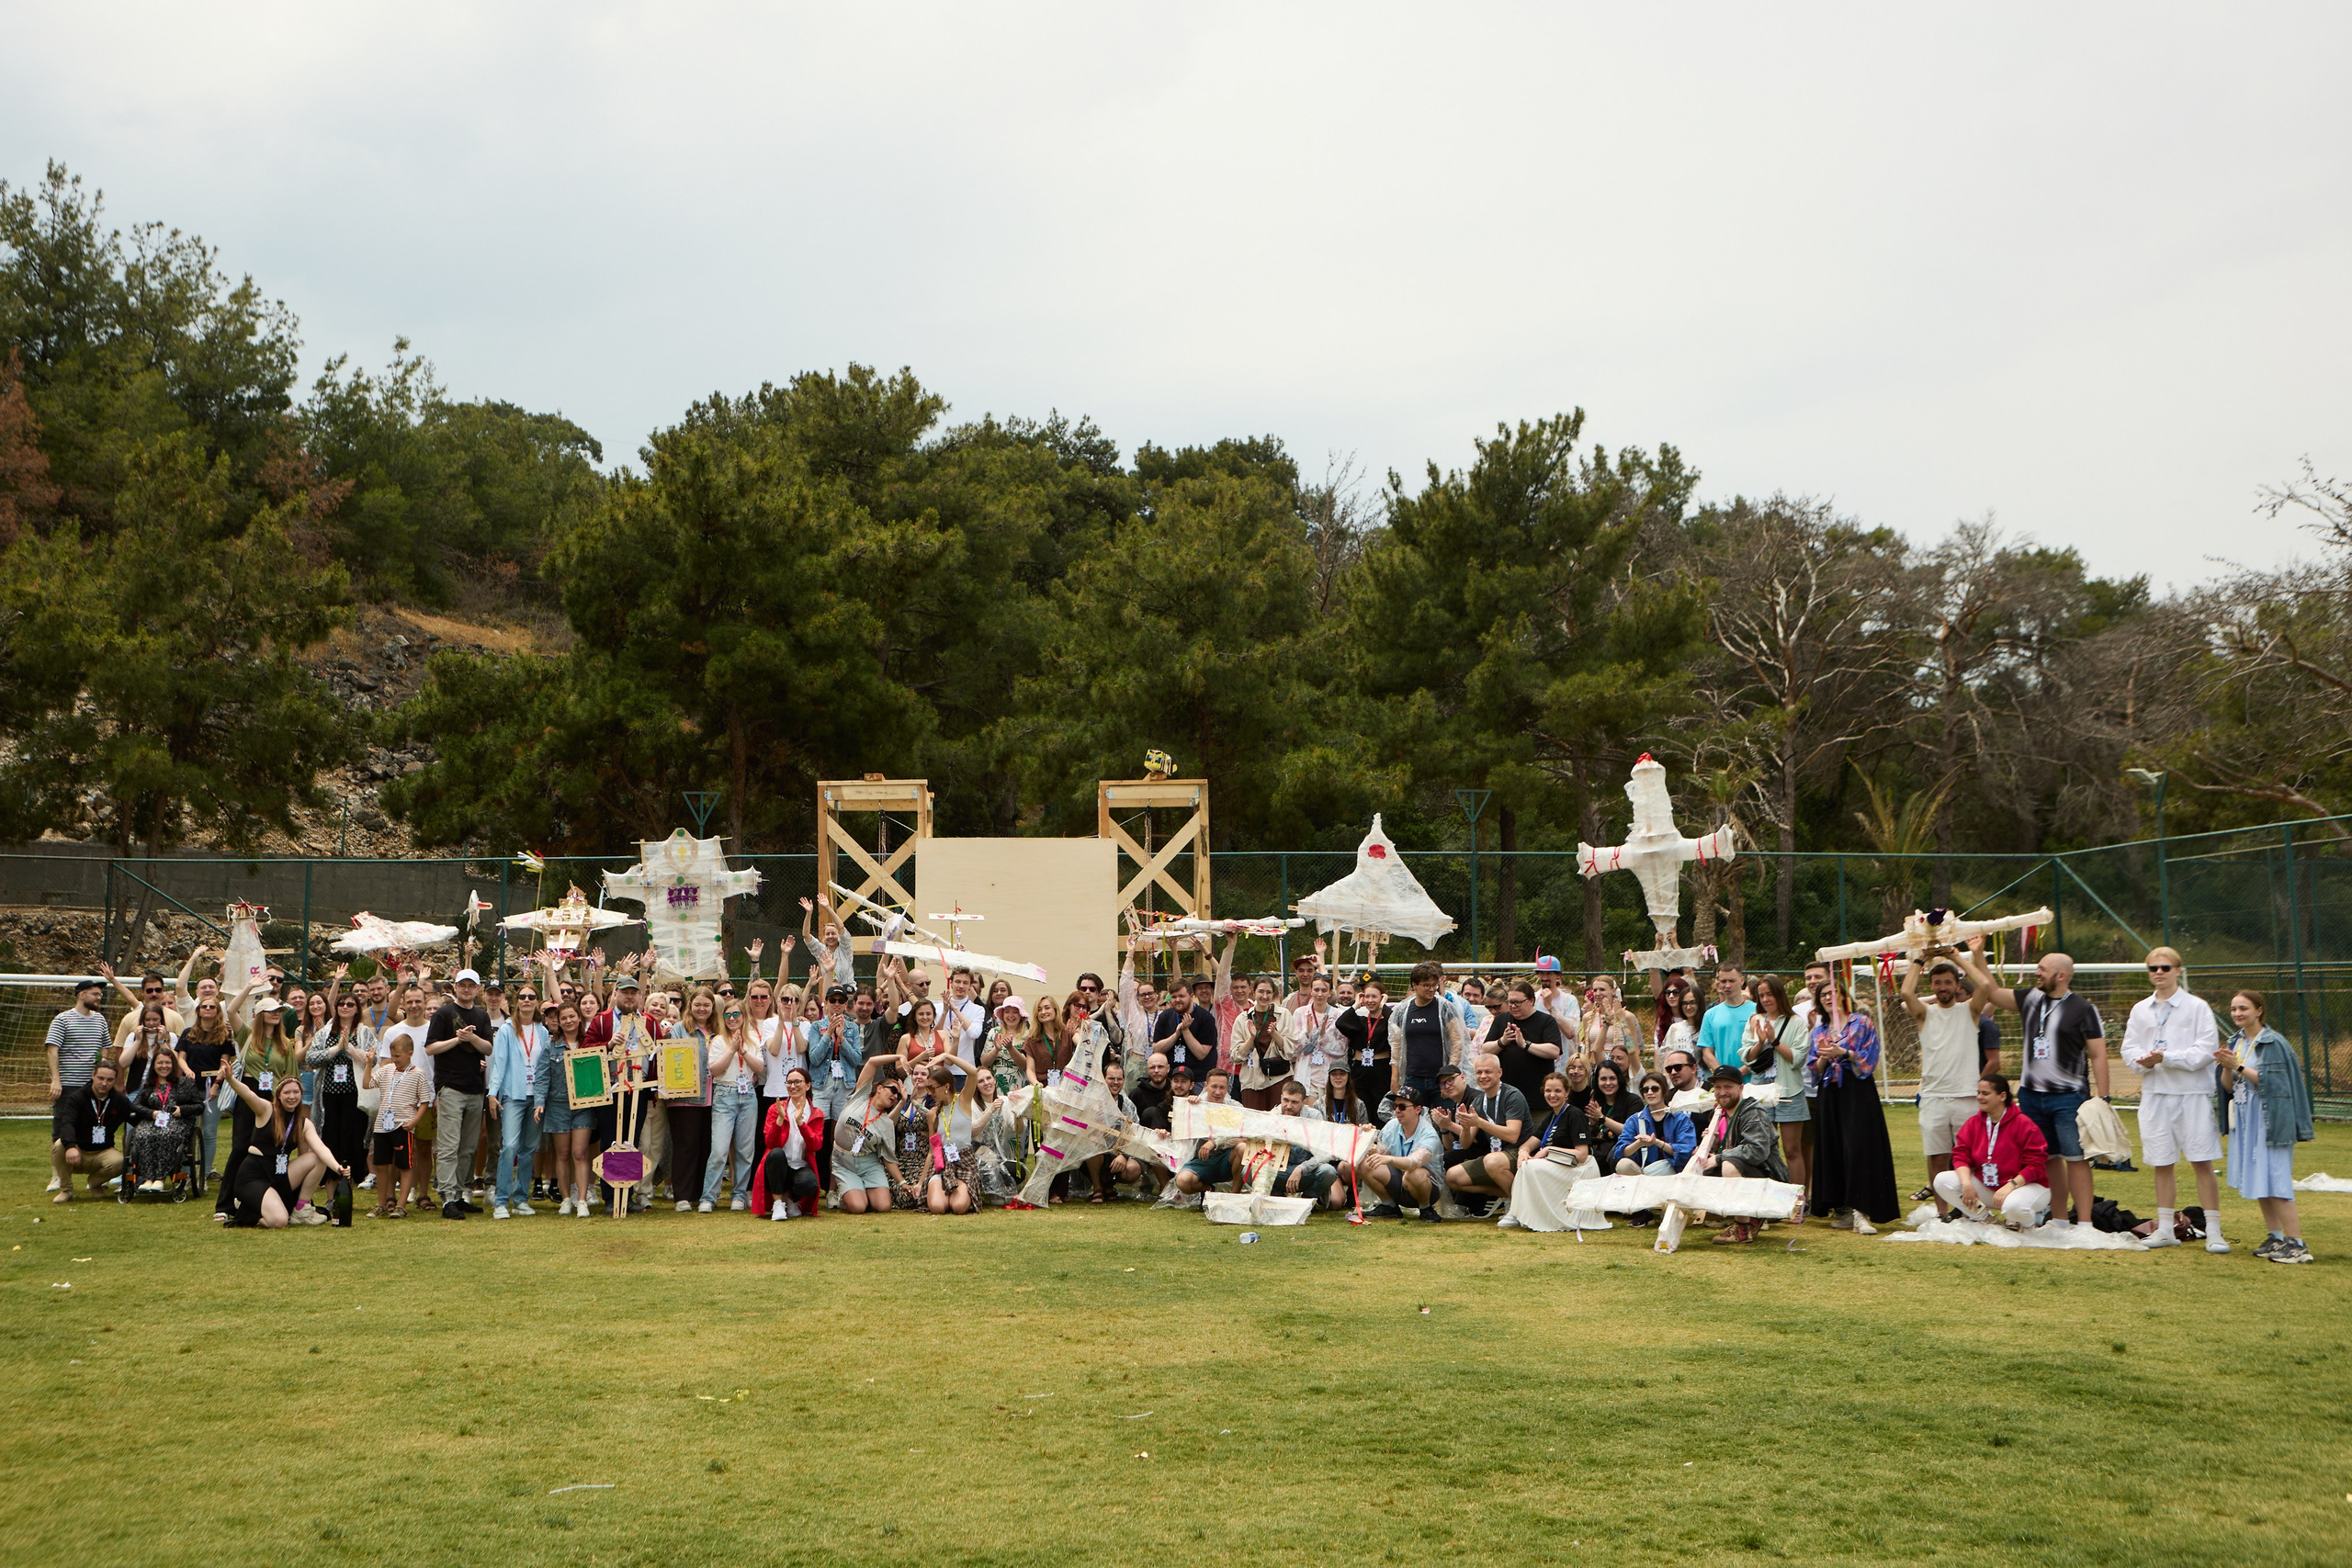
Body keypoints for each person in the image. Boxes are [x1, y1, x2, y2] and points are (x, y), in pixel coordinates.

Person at [1960, 942, 2107, 1233]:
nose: (2037, 973)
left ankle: (2086, 1224)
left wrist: (2103, 1097)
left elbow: (2099, 1054)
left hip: (2068, 1097)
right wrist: (1978, 954)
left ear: (2062, 975)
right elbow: (1991, 991)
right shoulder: (2030, 998)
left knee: (2076, 1160)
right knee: (2048, 1159)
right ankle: (2060, 1220)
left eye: (2043, 969)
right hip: (2031, 1095)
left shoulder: (2083, 1009)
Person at [2123, 947, 2228, 1253]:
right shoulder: (2140, 1009)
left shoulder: (2197, 1007)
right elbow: (2129, 1050)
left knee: (2201, 1160)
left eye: (2165, 967)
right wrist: (2143, 1061)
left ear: (2178, 970)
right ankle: (2166, 1228)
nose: (2159, 972)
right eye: (2153, 968)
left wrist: (2166, 1057)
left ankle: (2214, 1231)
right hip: (2155, 1094)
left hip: (2191, 1094)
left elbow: (2204, 1051)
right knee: (2161, 1161)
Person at [2216, 990, 2316, 1263]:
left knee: (2276, 1179)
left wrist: (2237, 1066)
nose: (2237, 1013)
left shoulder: (2274, 1043)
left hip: (2270, 1118)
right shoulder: (2235, 1041)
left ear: (2259, 1010)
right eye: (2234, 1008)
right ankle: (2276, 1238)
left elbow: (2276, 1085)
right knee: (2260, 1178)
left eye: (2244, 1008)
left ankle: (2296, 1245)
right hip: (2246, 1118)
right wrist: (2227, 1067)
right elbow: (2228, 1087)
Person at [1805, 970, 1899, 1232]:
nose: (1827, 997)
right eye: (1823, 995)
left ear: (1844, 995)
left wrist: (1844, 1052)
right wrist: (1825, 1056)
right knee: (1834, 1149)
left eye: (1832, 992)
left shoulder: (1862, 1023)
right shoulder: (1820, 1030)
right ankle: (1844, 1208)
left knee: (1857, 1147)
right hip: (1830, 1094)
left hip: (1857, 1093)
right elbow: (1815, 1067)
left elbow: (1870, 1058)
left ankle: (1862, 1211)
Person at [1898, 956, 1984, 1217]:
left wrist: (1955, 955)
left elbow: (1984, 985)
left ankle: (1971, 1211)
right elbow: (1905, 991)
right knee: (1937, 1157)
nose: (1943, 987)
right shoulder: (1925, 1013)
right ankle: (1942, 1213)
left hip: (1967, 1095)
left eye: (1948, 982)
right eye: (1937, 983)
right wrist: (1919, 959)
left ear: (1957, 985)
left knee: (1969, 1158)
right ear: (1932, 986)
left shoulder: (1970, 1011)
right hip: (1933, 1096)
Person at [221, 1072, 350, 1227]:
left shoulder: (304, 1123)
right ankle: (249, 1208)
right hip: (254, 1175)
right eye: (287, 1092)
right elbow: (248, 1094)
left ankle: (302, 1210)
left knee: (318, 1158)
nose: (292, 1096)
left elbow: (321, 1148)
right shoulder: (266, 1110)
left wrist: (338, 1168)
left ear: (301, 1095)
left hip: (280, 1173)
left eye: (296, 1092)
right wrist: (230, 1078)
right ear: (279, 1095)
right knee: (279, 1221)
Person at [1935, 1072, 2051, 1231]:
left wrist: (2012, 1185)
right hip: (1990, 1186)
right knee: (1942, 1181)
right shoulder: (1974, 1123)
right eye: (1978, 1093)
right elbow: (1960, 1154)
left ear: (2002, 1096)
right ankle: (1986, 1219)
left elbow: (2036, 1165)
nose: (1979, 1097)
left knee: (2014, 1206)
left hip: (2026, 1187)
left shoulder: (2024, 1124)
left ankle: (2028, 1225)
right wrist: (1966, 1183)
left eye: (1986, 1093)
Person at [1689, 1066, 1791, 1244]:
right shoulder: (1720, 1114)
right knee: (1701, 1170)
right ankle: (1746, 1217)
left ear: (1741, 1088)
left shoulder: (1752, 1113)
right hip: (1749, 1172)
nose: (1722, 1092)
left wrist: (1719, 1158)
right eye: (1718, 1088)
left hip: (1769, 1178)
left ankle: (1743, 1227)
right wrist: (1709, 1148)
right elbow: (1729, 1149)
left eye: (1728, 1087)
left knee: (1728, 1166)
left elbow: (1756, 1151)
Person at [424, 967, 494, 1220]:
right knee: (448, 1145)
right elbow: (431, 1048)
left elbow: (487, 1047)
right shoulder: (443, 1014)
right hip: (450, 1087)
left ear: (477, 989)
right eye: (462, 985)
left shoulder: (481, 1015)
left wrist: (470, 1037)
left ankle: (461, 1193)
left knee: (468, 1147)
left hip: (475, 1088)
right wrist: (457, 1039)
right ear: (455, 987)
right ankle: (447, 1197)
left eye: (471, 985)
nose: (466, 989)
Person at [1495, 1071, 1599, 1232]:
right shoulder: (1551, 1116)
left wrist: (1550, 1149)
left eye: (1557, 1091)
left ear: (1567, 1093)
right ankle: (1518, 1211)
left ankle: (1516, 1211)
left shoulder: (1574, 1115)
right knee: (1526, 1163)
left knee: (1530, 1167)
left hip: (1576, 1168)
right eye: (1548, 1091)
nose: (1552, 1095)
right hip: (1557, 1165)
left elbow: (1582, 1154)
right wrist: (1523, 1151)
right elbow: (1529, 1144)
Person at [1745, 976, 1810, 1213]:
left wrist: (1773, 1040)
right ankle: (1769, 1204)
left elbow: (1797, 1058)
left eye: (1769, 994)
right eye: (1761, 995)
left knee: (1792, 1149)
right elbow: (1747, 1058)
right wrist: (1760, 1042)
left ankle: (1798, 1204)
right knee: (1764, 1148)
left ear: (1779, 994)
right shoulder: (1754, 1020)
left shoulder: (1796, 1022)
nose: (1766, 999)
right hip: (1761, 1092)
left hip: (1789, 1091)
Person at [485, 982, 548, 1218]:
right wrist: (493, 1093)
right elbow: (499, 1063)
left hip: (537, 1096)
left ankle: (521, 1198)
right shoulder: (507, 1029)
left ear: (537, 1001)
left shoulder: (542, 1030)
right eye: (522, 996)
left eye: (531, 996)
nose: (527, 1000)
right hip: (513, 1094)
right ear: (516, 1000)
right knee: (509, 1145)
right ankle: (501, 1201)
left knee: (529, 1149)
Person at [44, 977, 114, 1192]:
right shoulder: (62, 1020)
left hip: (92, 1087)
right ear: (81, 995)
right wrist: (56, 1080)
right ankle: (58, 1176)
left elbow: (105, 1049)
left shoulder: (100, 1019)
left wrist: (102, 1077)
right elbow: (52, 1049)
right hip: (69, 1085)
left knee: (93, 1127)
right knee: (61, 1130)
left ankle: (95, 1172)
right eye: (95, 994)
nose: (98, 997)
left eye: (100, 994)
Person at [530, 997, 595, 1219]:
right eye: (563, 1017)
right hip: (557, 1106)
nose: (568, 1021)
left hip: (584, 1105)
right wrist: (539, 1102)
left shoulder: (590, 1042)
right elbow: (542, 1078)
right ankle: (566, 1199)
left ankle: (582, 1200)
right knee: (564, 1153)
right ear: (557, 1021)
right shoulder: (550, 1046)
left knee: (579, 1152)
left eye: (572, 1016)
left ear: (579, 1018)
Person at [307, 988, 378, 1191]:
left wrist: (349, 1048)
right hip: (329, 1097)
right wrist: (336, 1048)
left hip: (355, 1096)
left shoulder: (364, 1032)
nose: (345, 1008)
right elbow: (311, 1058)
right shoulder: (325, 1032)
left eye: (350, 1004)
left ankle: (348, 1191)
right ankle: (330, 1192)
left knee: (353, 1141)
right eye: (341, 1004)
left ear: (357, 1009)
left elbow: (374, 1059)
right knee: (330, 1141)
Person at [1444, 1052, 1530, 1213]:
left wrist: (1479, 1122)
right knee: (1453, 1177)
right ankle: (1508, 1195)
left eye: (1488, 1072)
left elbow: (1513, 1135)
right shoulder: (1479, 1101)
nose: (1483, 1076)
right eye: (1479, 1072)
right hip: (1495, 1155)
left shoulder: (1512, 1095)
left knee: (1492, 1161)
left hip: (1518, 1151)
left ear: (1500, 1073)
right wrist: (1466, 1126)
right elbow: (1465, 1143)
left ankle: (1520, 1206)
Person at [833, 1054, 912, 1215]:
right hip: (844, 1162)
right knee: (858, 1207)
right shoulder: (860, 1096)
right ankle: (849, 1192)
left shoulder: (886, 1123)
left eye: (898, 1095)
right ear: (879, 1088)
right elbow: (871, 1062)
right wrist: (899, 1056)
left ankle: (860, 1190)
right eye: (893, 1090)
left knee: (883, 1206)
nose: (895, 1095)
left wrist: (902, 1182)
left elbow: (888, 1158)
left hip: (869, 1163)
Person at [706, 995, 763, 1213]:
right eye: (727, 1015)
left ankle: (739, 1194)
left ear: (743, 1016)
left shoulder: (753, 1039)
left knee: (744, 1150)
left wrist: (743, 1050)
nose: (731, 1018)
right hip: (725, 1094)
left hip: (747, 1094)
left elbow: (759, 1068)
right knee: (719, 1150)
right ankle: (709, 1196)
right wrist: (732, 1049)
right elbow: (714, 1070)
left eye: (736, 1014)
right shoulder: (718, 1040)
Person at [1357, 1085, 1443, 1223]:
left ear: (1418, 1109)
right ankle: (1389, 1206)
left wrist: (1390, 1159)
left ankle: (1426, 1209)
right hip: (1400, 1182)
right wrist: (1366, 1137)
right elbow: (1378, 1152)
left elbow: (1414, 1162)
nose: (1397, 1111)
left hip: (1426, 1187)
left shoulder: (1429, 1134)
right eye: (1395, 1106)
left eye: (1402, 1107)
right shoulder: (1392, 1126)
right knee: (1365, 1163)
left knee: (1415, 1173)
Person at [752, 1064, 827, 1220]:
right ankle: (778, 1203)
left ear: (808, 1085)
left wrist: (801, 1123)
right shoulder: (776, 1109)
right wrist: (780, 1119)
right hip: (778, 1166)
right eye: (789, 1082)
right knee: (776, 1155)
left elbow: (816, 1145)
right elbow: (770, 1143)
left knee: (809, 1183)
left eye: (797, 1082)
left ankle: (793, 1200)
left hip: (801, 1166)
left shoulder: (817, 1113)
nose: (793, 1086)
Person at [51, 1058, 133, 1202]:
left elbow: (134, 1114)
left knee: (120, 1162)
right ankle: (66, 1189)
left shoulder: (119, 1100)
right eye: (100, 1078)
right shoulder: (76, 1098)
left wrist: (152, 1115)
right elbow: (67, 1124)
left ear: (114, 1081)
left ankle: (95, 1183)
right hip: (78, 1151)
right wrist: (71, 1146)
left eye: (109, 1080)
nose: (104, 1083)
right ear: (93, 1076)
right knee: (59, 1146)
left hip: (102, 1152)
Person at [368, 1031, 430, 1218]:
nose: (394, 1059)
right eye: (392, 1055)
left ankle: (401, 1205)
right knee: (381, 1164)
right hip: (382, 1126)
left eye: (397, 1056)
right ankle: (381, 1203)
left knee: (405, 1164)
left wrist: (414, 1121)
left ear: (410, 1053)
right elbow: (366, 1084)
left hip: (403, 1125)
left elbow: (425, 1101)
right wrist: (367, 1064)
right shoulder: (387, 1070)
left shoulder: (418, 1074)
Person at [126, 1047, 202, 1194]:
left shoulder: (185, 1083)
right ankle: (148, 1178)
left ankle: (160, 1178)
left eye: (167, 1062)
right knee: (143, 1135)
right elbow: (134, 1105)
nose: (164, 1066)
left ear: (173, 1065)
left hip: (177, 1120)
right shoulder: (149, 1086)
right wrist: (151, 1113)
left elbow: (200, 1106)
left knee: (167, 1135)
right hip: (153, 1121)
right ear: (154, 1065)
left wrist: (183, 1110)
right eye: (160, 1062)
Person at [1480, 979, 1561, 1109]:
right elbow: (1485, 1050)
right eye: (1510, 1002)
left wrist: (1526, 1045)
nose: (1513, 1006)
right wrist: (1502, 1041)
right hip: (1506, 1098)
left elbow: (1554, 1051)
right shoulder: (1501, 1019)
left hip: (1537, 1099)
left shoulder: (1546, 1021)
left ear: (1531, 1001)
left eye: (1517, 1002)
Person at [920, 1059, 986, 1214]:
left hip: (964, 1161)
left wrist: (947, 1054)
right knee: (937, 1207)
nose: (930, 1093)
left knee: (958, 1207)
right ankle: (942, 1189)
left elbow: (973, 1072)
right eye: (928, 1088)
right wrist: (921, 1182)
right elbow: (932, 1151)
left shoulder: (962, 1100)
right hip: (942, 1163)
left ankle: (958, 1191)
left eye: (932, 1088)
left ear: (946, 1086)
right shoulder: (933, 1113)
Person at [1170, 1068, 1245, 1199]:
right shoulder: (1196, 1104)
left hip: (1227, 1160)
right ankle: (1210, 1190)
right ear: (1206, 1086)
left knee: (1242, 1147)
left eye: (1222, 1087)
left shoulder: (1235, 1107)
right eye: (1214, 1086)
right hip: (1201, 1161)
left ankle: (1234, 1196)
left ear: (1227, 1088)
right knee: (1183, 1181)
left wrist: (1214, 1142)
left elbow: (1244, 1137)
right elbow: (1180, 1129)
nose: (1218, 1092)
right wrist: (1190, 1105)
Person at [1613, 1071, 1695, 1179]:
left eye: (1655, 1089)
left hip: (1673, 1173)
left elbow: (1686, 1151)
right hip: (1642, 1172)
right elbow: (1620, 1153)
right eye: (1645, 1090)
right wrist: (1639, 1143)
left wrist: (1657, 1142)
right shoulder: (1634, 1120)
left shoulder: (1680, 1119)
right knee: (1623, 1165)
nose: (1650, 1092)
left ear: (1664, 1091)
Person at [1576, 976, 1642, 1077]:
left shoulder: (1627, 1016)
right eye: (1595, 990)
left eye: (1602, 989)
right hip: (1595, 1067)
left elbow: (1635, 1049)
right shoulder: (1587, 1017)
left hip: (1619, 1068)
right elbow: (1587, 1049)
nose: (1598, 993)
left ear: (1613, 991)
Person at [1697, 964, 1756, 1077]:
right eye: (1723, 981)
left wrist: (1742, 1071)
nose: (1727, 985)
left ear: (1742, 980)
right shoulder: (1710, 1014)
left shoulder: (1757, 1010)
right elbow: (1707, 1052)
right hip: (1723, 1082)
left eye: (1732, 981)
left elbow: (1763, 1049)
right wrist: (1723, 1074)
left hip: (1753, 1081)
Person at [1234, 1007, 1293, 1111]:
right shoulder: (1242, 1019)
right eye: (1261, 991)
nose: (1264, 996)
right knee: (1254, 1122)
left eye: (1268, 992)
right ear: (1254, 992)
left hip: (1279, 1077)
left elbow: (1291, 1050)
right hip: (1252, 1080)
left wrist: (1275, 1034)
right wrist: (1251, 1038)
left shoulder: (1283, 1014)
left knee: (1280, 1122)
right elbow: (1235, 1056)